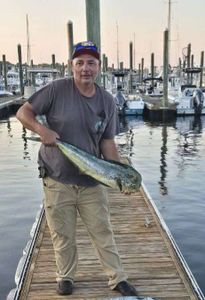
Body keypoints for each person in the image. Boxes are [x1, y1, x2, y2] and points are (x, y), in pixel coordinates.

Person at [16, 41, 138, 297]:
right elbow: (23, 112)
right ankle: (66, 276)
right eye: (80, 62)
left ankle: (117, 278)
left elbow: (107, 142)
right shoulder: (55, 90)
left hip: (91, 180)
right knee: (62, 233)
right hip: (57, 177)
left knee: (102, 230)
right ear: (71, 66)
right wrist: (41, 130)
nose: (86, 68)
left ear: (99, 67)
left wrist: (119, 174)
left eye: (91, 63)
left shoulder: (106, 100)